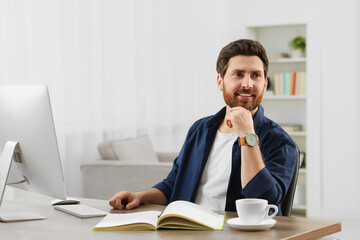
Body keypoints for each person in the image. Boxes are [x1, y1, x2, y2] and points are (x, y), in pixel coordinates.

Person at [109, 39, 297, 215]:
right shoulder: (200, 129)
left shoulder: (280, 141)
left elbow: (264, 203)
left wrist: (247, 134)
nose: (247, 84)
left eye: (255, 76)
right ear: (220, 82)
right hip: (186, 228)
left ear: (264, 85)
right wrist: (140, 196)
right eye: (238, 74)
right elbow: (175, 183)